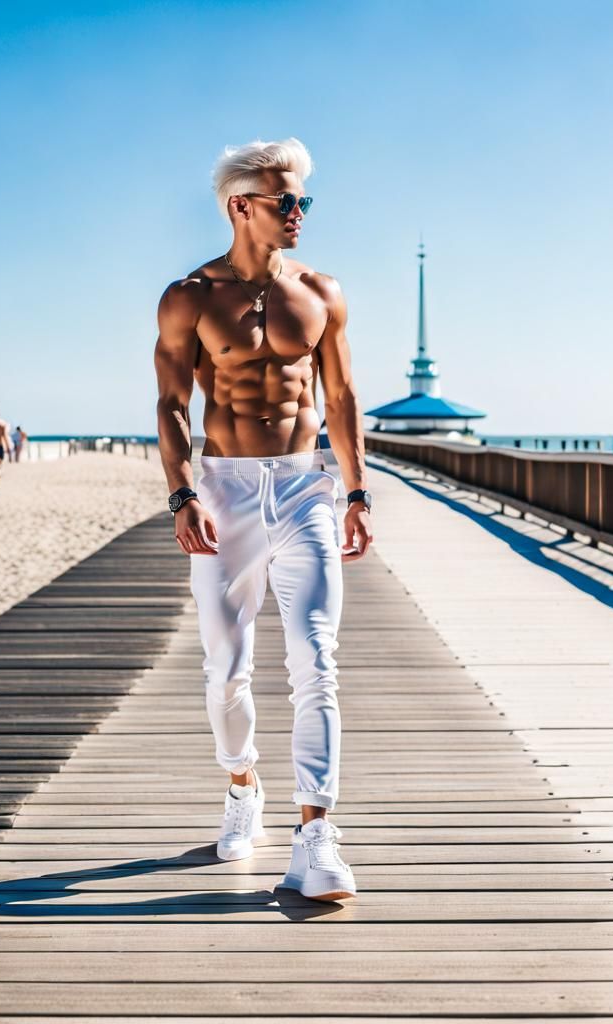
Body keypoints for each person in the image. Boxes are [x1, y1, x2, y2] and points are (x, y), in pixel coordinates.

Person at [153, 137, 373, 902]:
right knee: (226, 669)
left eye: (304, 199)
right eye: (286, 201)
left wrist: (356, 493)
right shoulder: (190, 296)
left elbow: (340, 398)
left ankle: (317, 837)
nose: (299, 212)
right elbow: (171, 404)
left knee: (317, 660)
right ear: (241, 206)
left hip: (306, 487)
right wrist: (182, 494)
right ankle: (242, 784)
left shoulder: (322, 292)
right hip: (225, 492)